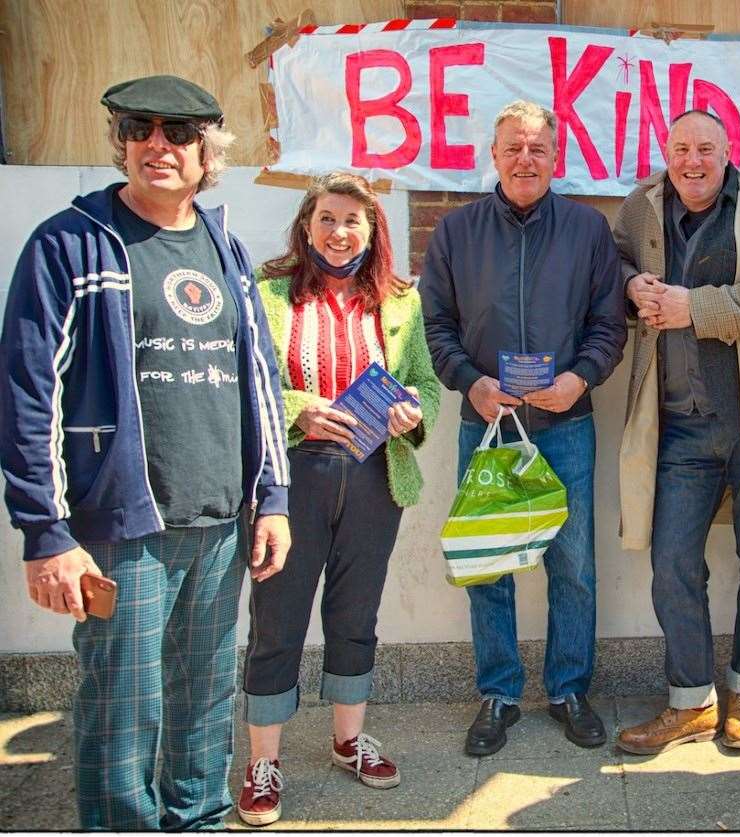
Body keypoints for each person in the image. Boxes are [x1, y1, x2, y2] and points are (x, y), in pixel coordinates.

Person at [0, 75, 291, 830]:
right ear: (121, 141)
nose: (157, 144)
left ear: (208, 151)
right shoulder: (70, 243)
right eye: (139, 128)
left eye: (178, 131)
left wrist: (274, 499)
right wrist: (46, 532)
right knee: (121, 705)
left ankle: (198, 816)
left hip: (221, 524)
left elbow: (258, 378)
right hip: (115, 532)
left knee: (204, 695)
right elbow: (27, 393)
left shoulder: (225, 247)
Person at [612, 109, 740, 754]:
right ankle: (692, 702)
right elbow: (615, 264)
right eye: (680, 149)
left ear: (728, 150)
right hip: (679, 422)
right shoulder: (642, 207)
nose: (692, 160)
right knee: (672, 561)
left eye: (705, 147)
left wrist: (694, 307)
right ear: (666, 154)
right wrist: (631, 285)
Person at [234, 172, 442, 825]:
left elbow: (426, 385)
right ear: (306, 224)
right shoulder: (268, 293)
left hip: (376, 474)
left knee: (355, 612)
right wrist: (301, 408)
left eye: (352, 219)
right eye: (326, 217)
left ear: (372, 229)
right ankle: (262, 762)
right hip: (292, 476)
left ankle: (349, 740)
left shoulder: (402, 299)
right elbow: (247, 382)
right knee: (279, 617)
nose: (338, 230)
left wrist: (412, 409)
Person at [420, 100, 626, 756]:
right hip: (488, 424)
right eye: (513, 147)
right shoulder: (456, 232)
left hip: (565, 423)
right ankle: (498, 692)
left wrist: (580, 377)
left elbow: (608, 324)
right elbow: (435, 328)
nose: (525, 159)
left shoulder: (588, 230)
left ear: (555, 157)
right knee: (488, 564)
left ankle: (568, 687)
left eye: (537, 148)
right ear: (493, 155)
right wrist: (470, 382)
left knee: (573, 565)